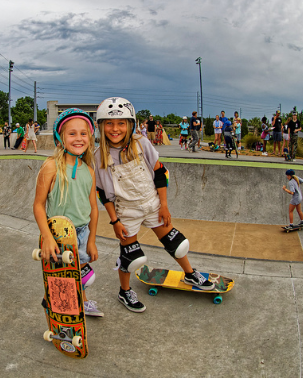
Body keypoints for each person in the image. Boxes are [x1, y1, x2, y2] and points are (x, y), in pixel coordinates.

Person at [90, 97, 210, 313]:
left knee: (178, 244)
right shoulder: (99, 157)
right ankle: (124, 291)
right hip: (126, 210)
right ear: (100, 126)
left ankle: (190, 274)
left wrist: (163, 205)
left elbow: (159, 173)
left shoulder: (141, 144)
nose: (114, 129)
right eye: (108, 123)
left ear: (130, 124)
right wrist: (115, 221)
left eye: (120, 123)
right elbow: (102, 193)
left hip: (152, 202)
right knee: (131, 257)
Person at [31, 111, 104, 316]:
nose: (79, 138)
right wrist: (46, 237)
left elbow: (94, 209)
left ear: (90, 138)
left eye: (83, 133)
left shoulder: (89, 170)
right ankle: (54, 299)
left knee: (77, 275)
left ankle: (79, 300)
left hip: (81, 233)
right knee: (69, 276)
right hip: (58, 234)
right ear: (61, 138)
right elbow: (38, 205)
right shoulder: (51, 167)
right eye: (72, 134)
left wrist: (91, 239)